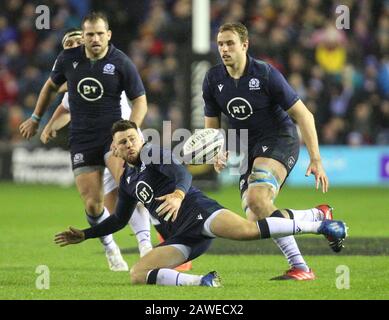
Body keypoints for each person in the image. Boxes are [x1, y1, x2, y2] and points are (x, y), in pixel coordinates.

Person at [54, 120, 348, 287]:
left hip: (198, 211)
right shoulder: (128, 180)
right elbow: (119, 219)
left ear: (141, 139)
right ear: (114, 149)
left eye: (132, 138)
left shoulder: (152, 152)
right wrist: (86, 233)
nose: (129, 144)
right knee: (137, 275)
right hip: (183, 236)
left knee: (249, 231)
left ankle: (322, 225)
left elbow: (181, 172)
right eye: (123, 142)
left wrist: (179, 194)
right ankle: (203, 282)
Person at [202, 22, 339, 281]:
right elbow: (212, 127)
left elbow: (304, 116)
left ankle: (318, 226)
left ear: (245, 45)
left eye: (230, 43)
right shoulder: (213, 79)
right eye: (220, 44)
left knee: (256, 198)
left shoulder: (265, 74)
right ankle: (306, 251)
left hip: (279, 139)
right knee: (257, 214)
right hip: (247, 148)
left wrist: (316, 159)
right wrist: (217, 150)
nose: (224, 49)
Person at [19, 12, 148, 271]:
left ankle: (147, 247)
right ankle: (111, 248)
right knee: (93, 203)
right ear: (84, 37)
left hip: (114, 137)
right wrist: (37, 119)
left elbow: (140, 101)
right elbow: (53, 93)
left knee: (130, 187)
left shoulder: (120, 62)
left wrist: (129, 134)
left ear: (108, 35)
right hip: (82, 141)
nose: (94, 39)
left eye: (100, 33)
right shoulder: (69, 61)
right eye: (90, 34)